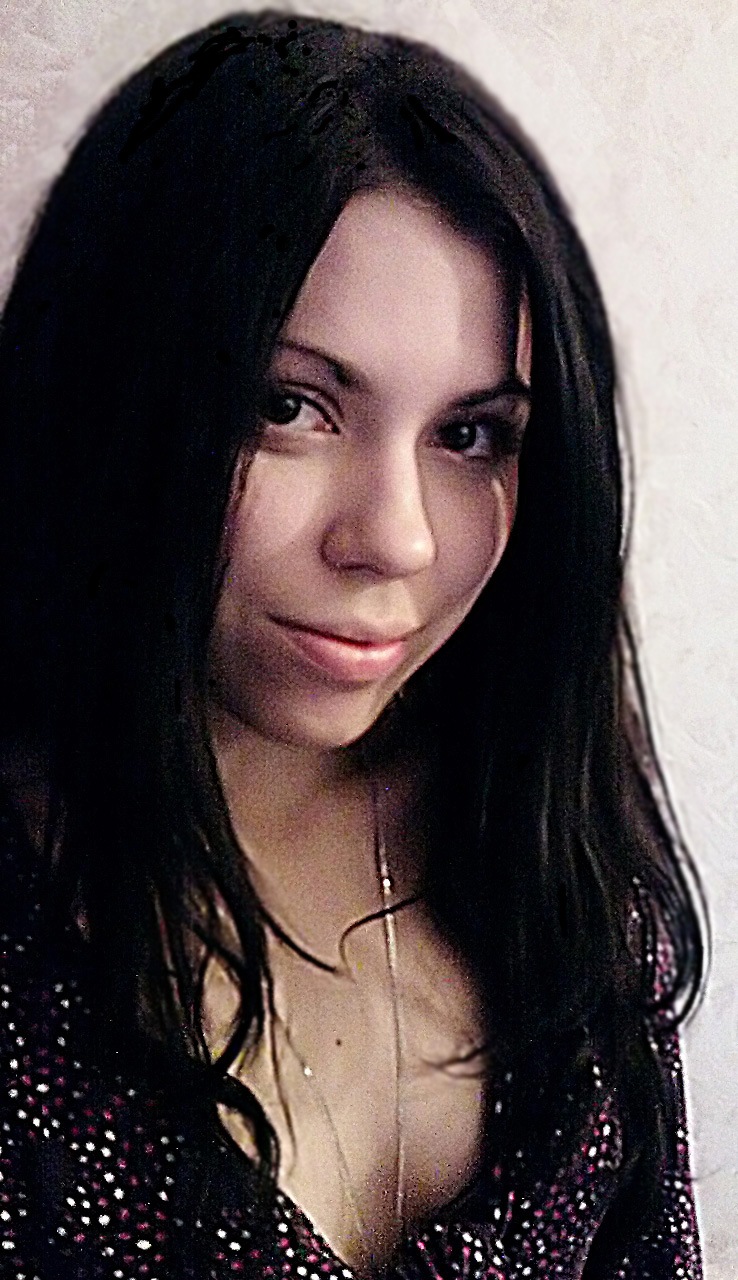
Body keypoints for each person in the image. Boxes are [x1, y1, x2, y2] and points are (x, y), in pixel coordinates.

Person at [0, 10, 705, 1278]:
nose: (396, 538)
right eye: (289, 406)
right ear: (117, 392)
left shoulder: (562, 860)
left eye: (470, 435)